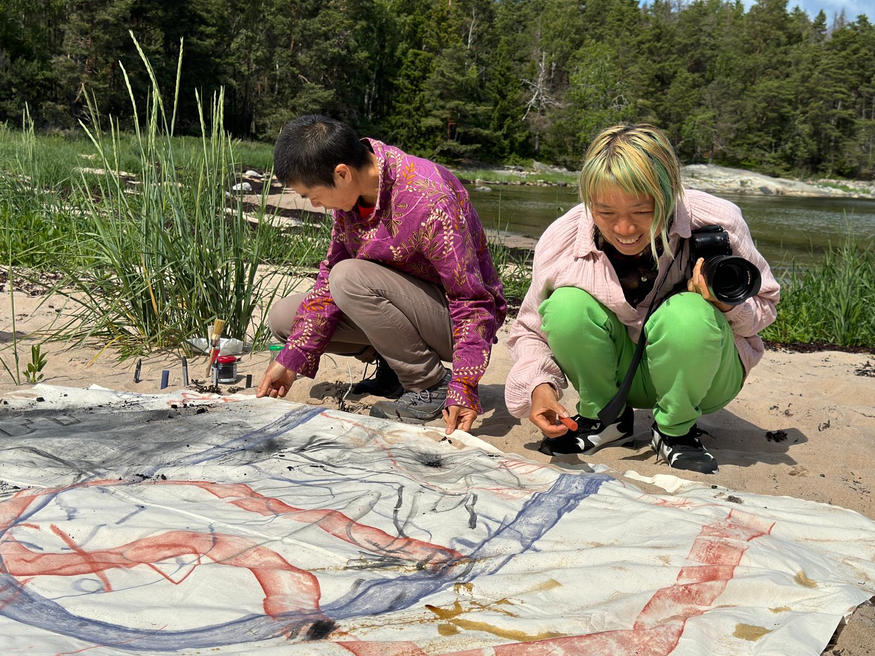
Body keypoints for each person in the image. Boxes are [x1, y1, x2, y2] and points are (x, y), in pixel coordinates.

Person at [505, 123, 780, 474]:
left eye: (641, 211)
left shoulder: (719, 220)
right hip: (617, 377)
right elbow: (529, 330)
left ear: (669, 192)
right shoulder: (562, 237)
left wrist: (725, 306)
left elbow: (766, 307)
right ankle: (605, 420)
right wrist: (539, 386)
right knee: (565, 308)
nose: (624, 229)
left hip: (706, 378)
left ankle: (675, 430)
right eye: (606, 213)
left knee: (688, 314)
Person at [257, 115, 507, 435]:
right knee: (284, 319)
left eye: (311, 195)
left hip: (451, 323)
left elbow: (471, 300)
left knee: (348, 277)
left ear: (342, 174)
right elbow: (327, 280)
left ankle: (430, 384)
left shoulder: (428, 198)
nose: (315, 204)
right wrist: (292, 358)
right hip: (401, 308)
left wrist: (465, 385)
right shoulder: (352, 198)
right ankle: (394, 370)